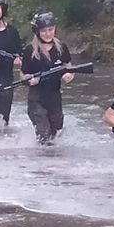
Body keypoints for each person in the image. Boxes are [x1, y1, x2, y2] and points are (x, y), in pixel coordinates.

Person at [21, 11, 74, 145]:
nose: (48, 33)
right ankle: (41, 162)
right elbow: (23, 74)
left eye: (50, 29)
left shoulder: (61, 47)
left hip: (55, 96)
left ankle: (54, 163)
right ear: (37, 32)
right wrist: (29, 81)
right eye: (44, 31)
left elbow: (69, 66)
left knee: (56, 132)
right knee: (44, 134)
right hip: (36, 98)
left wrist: (69, 75)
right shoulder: (30, 50)